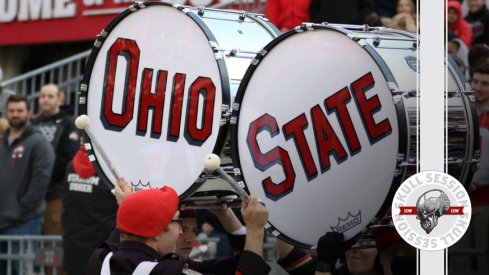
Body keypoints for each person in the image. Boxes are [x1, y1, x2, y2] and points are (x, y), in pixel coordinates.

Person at [88, 180, 271, 274]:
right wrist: (255, 230)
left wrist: (130, 206)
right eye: (178, 223)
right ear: (157, 234)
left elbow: (126, 230)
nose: (182, 233)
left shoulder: (101, 259)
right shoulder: (168, 271)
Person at [0, 95, 55, 273]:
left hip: (23, 223)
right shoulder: (2, 141)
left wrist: (21, 210)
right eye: (12, 110)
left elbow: (40, 182)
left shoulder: (38, 142)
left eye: (20, 110)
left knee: (22, 270)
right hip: (2, 221)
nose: (15, 114)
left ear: (29, 113)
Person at [451, 63, 489, 272]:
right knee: (457, 259)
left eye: (485, 83)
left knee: (484, 259)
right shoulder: (461, 112)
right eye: (475, 81)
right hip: (458, 199)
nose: (478, 87)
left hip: (485, 201)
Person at [31, 83, 79, 236]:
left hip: (55, 193)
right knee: (28, 240)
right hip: (31, 193)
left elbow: (67, 158)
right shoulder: (32, 123)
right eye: (42, 96)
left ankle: (48, 262)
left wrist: (43, 178)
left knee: (51, 243)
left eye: (50, 96)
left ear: (60, 99)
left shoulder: (69, 123)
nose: (45, 100)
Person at [62, 145, 118, 275]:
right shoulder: (110, 171)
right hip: (102, 255)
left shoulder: (71, 166)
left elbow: (66, 207)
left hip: (73, 249)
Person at [309, 0, 373, 25]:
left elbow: (366, 8)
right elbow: (314, 9)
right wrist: (321, 20)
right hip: (327, 29)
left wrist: (355, 19)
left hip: (350, 31)